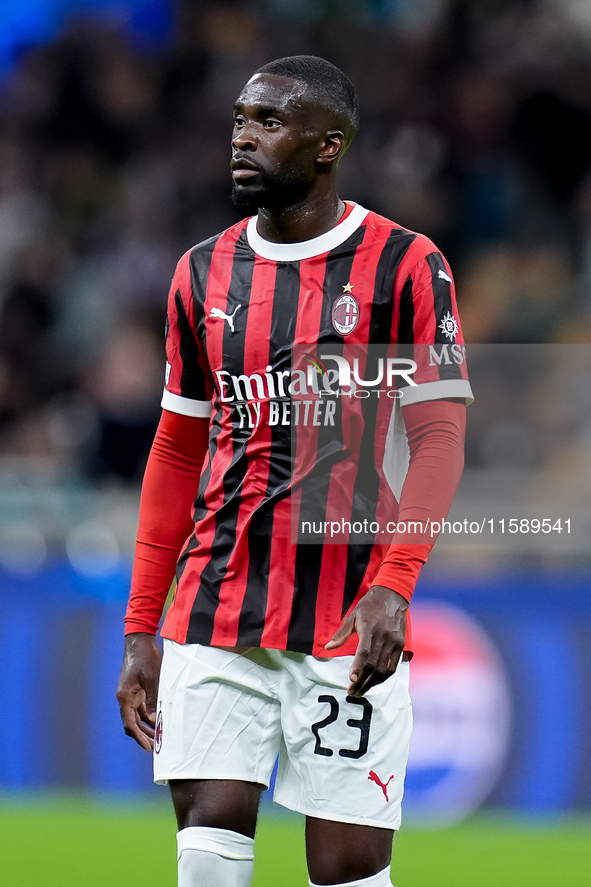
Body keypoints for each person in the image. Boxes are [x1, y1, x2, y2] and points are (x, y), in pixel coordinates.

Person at [117, 55, 472, 887]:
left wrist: (395, 581)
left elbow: (439, 437)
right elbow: (176, 451)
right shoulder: (199, 272)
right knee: (208, 842)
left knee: (346, 871)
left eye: (269, 121)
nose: (242, 136)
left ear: (327, 146)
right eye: (240, 117)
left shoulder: (406, 265)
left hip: (347, 613)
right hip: (214, 605)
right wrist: (142, 625)